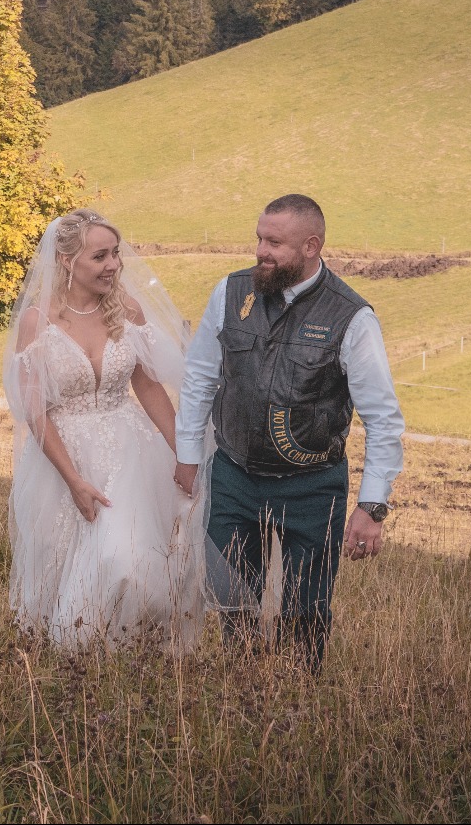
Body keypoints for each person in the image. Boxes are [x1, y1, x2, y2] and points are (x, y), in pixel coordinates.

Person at [172, 193, 405, 667]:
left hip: (312, 486)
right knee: (232, 601)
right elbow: (199, 376)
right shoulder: (230, 292)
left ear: (311, 246)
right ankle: (242, 692)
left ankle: (299, 701)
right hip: (233, 475)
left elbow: (382, 419)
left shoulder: (352, 318)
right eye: (259, 237)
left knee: (306, 612)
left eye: (274, 242)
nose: (260, 250)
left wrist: (372, 506)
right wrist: (188, 454)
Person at [4, 208, 205, 649]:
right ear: (66, 260)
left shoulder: (126, 310)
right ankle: (76, 659)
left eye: (116, 254)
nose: (113, 265)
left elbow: (150, 389)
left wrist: (185, 455)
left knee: (127, 560)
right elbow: (35, 413)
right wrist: (74, 481)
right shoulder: (39, 321)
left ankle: (133, 650)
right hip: (63, 460)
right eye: (100, 257)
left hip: (129, 454)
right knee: (65, 559)